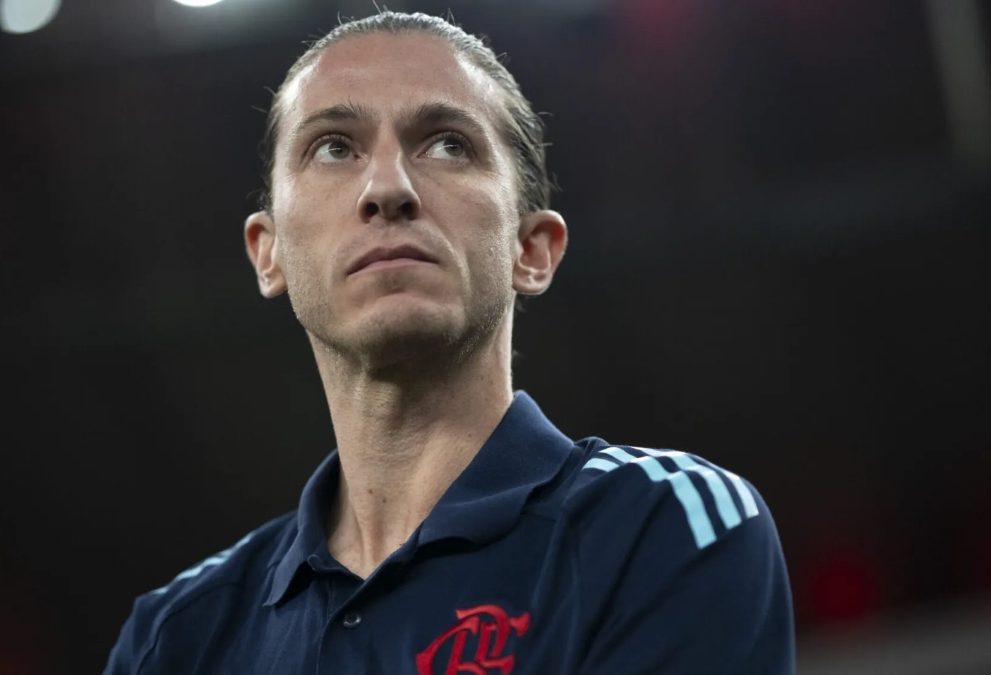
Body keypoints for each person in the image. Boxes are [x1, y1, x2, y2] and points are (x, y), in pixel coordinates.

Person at [104, 10, 794, 675]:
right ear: (269, 252)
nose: (387, 188)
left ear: (532, 249)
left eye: (446, 144)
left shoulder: (660, 526)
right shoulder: (174, 638)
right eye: (333, 148)